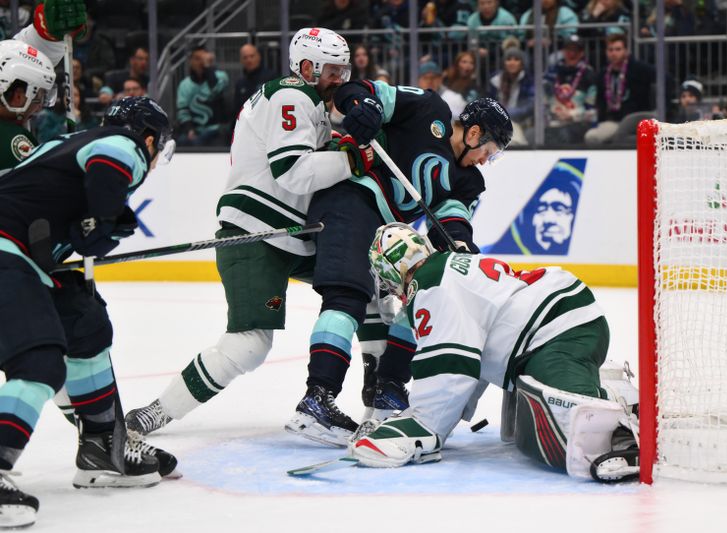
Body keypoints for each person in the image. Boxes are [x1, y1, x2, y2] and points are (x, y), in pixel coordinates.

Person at [124, 28, 359, 438]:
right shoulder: (292, 95)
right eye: (333, 70)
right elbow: (295, 172)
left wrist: (343, 144)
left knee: (363, 285)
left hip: (293, 232)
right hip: (258, 232)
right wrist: (351, 159)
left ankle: (381, 397)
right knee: (249, 343)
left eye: (344, 69)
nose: (341, 78)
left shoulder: (308, 102)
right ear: (307, 68)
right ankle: (157, 412)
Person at [284, 83, 513, 446]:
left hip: (383, 229)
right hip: (348, 199)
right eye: (490, 151)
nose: (486, 160)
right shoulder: (428, 109)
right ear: (473, 133)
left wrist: (461, 247)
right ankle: (317, 397)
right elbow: (355, 89)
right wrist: (361, 107)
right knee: (346, 298)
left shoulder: (468, 181)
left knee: (427, 287)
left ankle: (389, 388)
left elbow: (451, 222)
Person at [0, 96, 176, 527]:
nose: (153, 158)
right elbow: (106, 178)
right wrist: (103, 217)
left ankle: (100, 449)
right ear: (149, 137)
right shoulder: (123, 143)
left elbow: (68, 226)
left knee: (87, 326)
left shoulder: (64, 144)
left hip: (31, 256)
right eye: (158, 146)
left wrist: (99, 224)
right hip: (7, 250)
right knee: (40, 362)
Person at [351, 223, 640, 485]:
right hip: (559, 322)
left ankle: (625, 429)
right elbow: (472, 353)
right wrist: (446, 413)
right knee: (536, 417)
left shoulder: (430, 286)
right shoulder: (446, 268)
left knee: (577, 425)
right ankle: (610, 392)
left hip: (557, 331)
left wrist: (423, 425)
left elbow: (451, 364)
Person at [0, 0, 87, 174]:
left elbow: (10, 58)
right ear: (18, 97)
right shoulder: (9, 138)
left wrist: (45, 38)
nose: (40, 106)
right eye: (39, 96)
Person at [584, 34, 655, 145]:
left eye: (618, 49)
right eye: (610, 50)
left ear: (626, 51)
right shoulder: (603, 74)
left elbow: (665, 78)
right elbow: (599, 100)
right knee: (591, 136)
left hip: (635, 120)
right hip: (612, 121)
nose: (614, 53)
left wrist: (663, 109)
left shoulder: (639, 69)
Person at [541, 34, 596, 145]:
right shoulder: (552, 73)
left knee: (563, 134)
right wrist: (549, 116)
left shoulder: (589, 75)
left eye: (576, 50)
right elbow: (543, 102)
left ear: (582, 53)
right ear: (563, 51)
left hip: (578, 122)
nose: (572, 54)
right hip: (553, 121)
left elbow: (593, 110)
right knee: (536, 134)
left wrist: (573, 115)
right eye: (569, 50)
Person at [175, 45, 230, 146]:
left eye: (203, 58)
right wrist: (189, 130)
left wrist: (208, 66)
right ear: (191, 62)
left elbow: (216, 89)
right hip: (194, 129)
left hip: (216, 128)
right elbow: (183, 111)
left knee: (201, 141)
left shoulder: (221, 77)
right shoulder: (185, 84)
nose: (200, 62)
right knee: (181, 142)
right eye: (197, 59)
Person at [488, 47, 535, 130]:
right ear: (504, 63)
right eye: (508, 59)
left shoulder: (528, 81)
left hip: (522, 123)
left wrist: (507, 114)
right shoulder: (496, 80)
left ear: (522, 63)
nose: (512, 63)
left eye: (516, 59)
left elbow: (530, 105)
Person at [232, 43, 275, 116]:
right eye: (245, 57)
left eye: (252, 56)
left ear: (259, 56)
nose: (249, 60)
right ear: (241, 60)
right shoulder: (240, 83)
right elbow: (237, 110)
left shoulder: (271, 78)